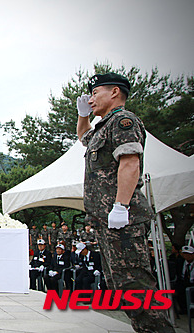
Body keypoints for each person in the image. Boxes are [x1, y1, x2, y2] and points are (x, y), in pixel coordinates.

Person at [77, 72, 174, 332]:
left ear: (115, 93)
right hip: (108, 223)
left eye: (96, 92)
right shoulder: (104, 126)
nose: (92, 98)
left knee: (137, 290)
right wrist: (83, 115)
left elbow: (130, 163)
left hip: (122, 221)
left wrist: (121, 207)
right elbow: (83, 138)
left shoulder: (123, 121)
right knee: (123, 289)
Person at [174, 245, 194, 314]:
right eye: (185, 254)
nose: (187, 256)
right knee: (179, 291)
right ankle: (183, 310)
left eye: (189, 254)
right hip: (182, 282)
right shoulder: (180, 262)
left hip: (192, 283)